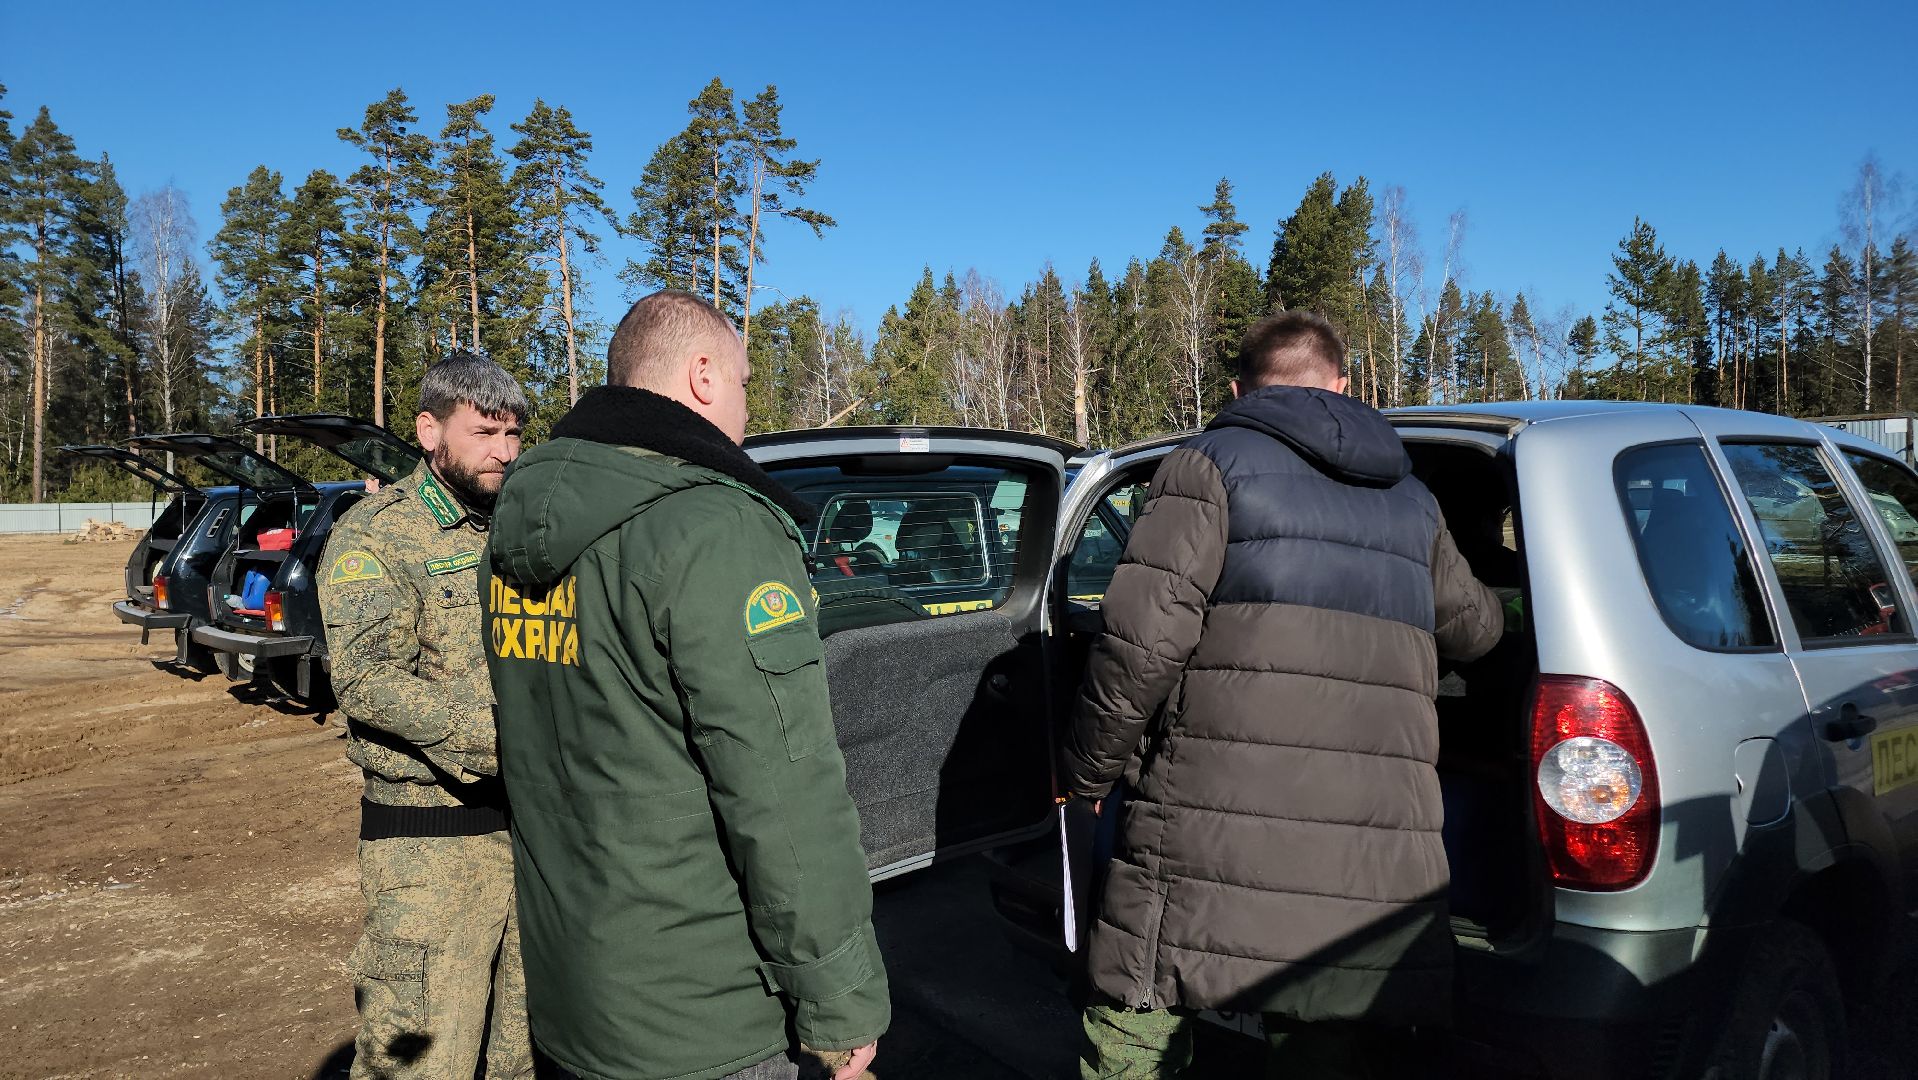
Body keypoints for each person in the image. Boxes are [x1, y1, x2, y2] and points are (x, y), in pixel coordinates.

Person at [1061, 311, 1505, 1079]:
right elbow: (1478, 632)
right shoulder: (1412, 500)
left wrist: (1085, 773)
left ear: (1239, 389)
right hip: (1370, 849)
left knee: (1134, 1015)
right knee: (1329, 1038)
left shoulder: (1206, 467)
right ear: (1342, 385)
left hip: (1203, 835)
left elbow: (1139, 648)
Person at [482, 290, 888, 1080]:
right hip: (704, 1015)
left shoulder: (515, 526)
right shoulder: (714, 528)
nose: (743, 409)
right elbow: (782, 797)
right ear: (702, 376)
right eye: (742, 384)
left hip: (574, 994)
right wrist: (842, 1001)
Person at [319, 352, 533, 1078]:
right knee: (420, 1064)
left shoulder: (518, 528)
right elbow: (365, 678)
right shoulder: (376, 534)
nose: (503, 452)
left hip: (531, 841)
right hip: (430, 852)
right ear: (430, 430)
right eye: (483, 433)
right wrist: (502, 739)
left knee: (522, 1058)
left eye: (513, 434)